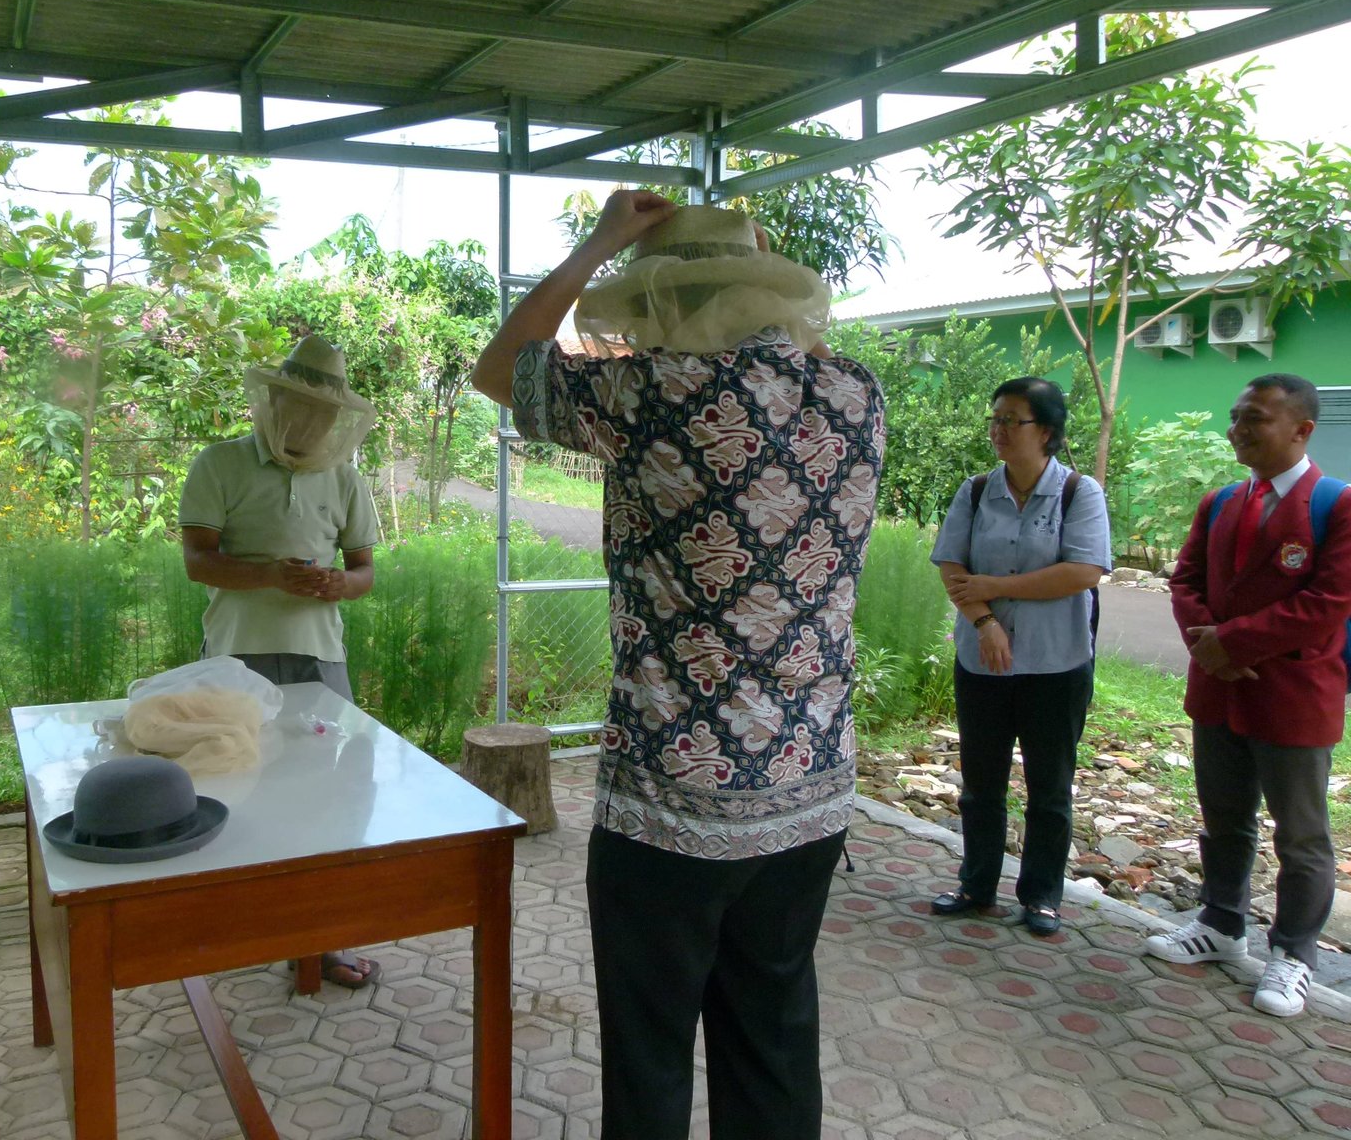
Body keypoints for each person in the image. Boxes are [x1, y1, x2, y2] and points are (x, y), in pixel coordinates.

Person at [472, 191, 883, 1140]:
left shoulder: (647, 393)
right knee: (774, 1034)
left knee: (651, 1049)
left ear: (662, 299)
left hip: (673, 801)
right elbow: (797, 352)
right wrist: (751, 260)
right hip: (809, 789)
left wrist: (598, 241)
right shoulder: (857, 392)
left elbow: (502, 368)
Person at [178, 333, 383, 989]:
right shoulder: (220, 464)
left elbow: (365, 571)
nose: (311, 423)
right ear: (273, 401)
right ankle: (240, 927)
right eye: (300, 407)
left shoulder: (344, 477)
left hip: (320, 658)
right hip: (236, 658)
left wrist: (339, 585)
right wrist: (270, 574)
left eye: (324, 413)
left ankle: (324, 940)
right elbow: (198, 562)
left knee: (331, 793)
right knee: (235, 787)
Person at [1150, 373, 1351, 1017]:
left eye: (1255, 418)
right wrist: (1207, 645)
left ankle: (1293, 953)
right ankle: (1220, 923)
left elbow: (1328, 603)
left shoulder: (1338, 506)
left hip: (1292, 695)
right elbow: (1186, 580)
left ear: (1302, 429)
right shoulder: (1220, 502)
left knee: (1301, 836)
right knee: (1224, 818)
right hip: (1219, 691)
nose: (1237, 429)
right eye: (1235, 416)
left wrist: (1232, 643)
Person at [928, 378, 1111, 937]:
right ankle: (976, 884)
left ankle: (1041, 896)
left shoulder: (1079, 492)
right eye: (996, 418)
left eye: (1013, 420)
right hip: (982, 661)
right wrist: (985, 622)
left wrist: (995, 586)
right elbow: (952, 568)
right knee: (981, 783)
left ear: (1046, 431)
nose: (998, 430)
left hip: (1057, 664)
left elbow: (1083, 571)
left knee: (1050, 788)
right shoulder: (976, 491)